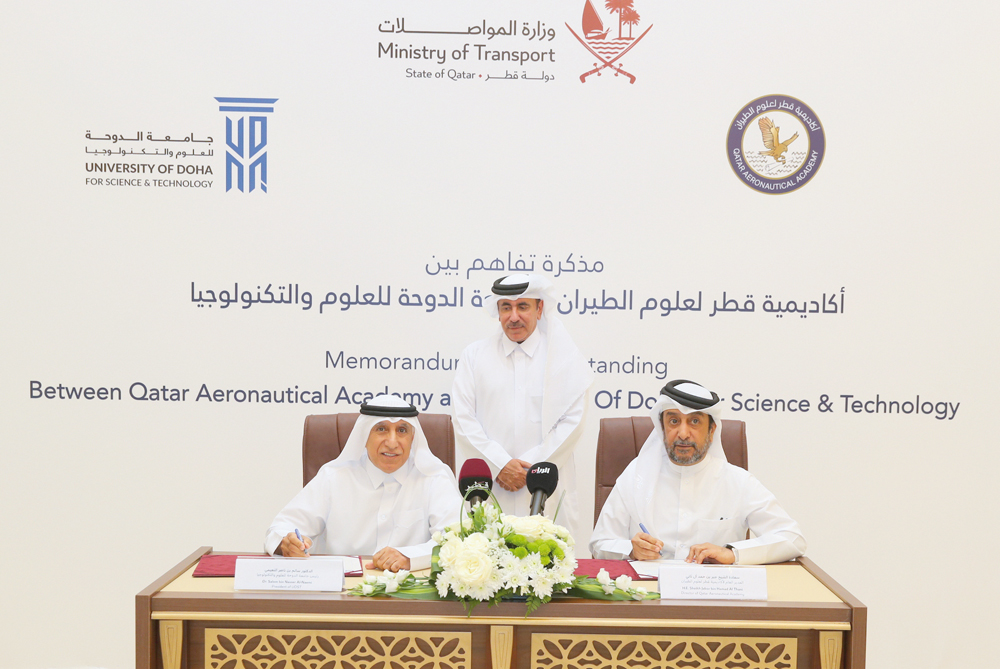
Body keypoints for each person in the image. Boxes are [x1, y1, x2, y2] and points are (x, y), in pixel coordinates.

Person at [590, 379, 806, 565]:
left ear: (711, 431)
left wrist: (732, 553)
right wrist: (630, 549)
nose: (683, 433)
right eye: (674, 421)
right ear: (662, 428)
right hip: (647, 599)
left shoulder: (738, 482)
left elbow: (793, 538)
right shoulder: (635, 477)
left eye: (694, 421)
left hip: (712, 600)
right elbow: (599, 544)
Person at [452, 274, 592, 536]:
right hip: (492, 489)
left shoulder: (564, 359)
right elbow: (463, 419)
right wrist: (500, 465)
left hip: (545, 490)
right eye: (506, 307)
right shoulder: (474, 356)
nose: (513, 316)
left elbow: (572, 424)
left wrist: (530, 468)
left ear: (540, 309)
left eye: (523, 306)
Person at [264, 394, 462, 571]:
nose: (392, 442)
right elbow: (281, 528)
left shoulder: (434, 478)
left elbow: (457, 541)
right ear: (364, 436)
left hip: (412, 598)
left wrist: (410, 557)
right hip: (342, 595)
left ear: (413, 438)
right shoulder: (334, 478)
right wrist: (287, 543)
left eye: (402, 430)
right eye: (381, 429)